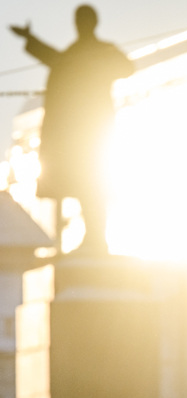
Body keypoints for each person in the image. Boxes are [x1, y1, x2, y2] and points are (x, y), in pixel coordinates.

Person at [10, 4, 134, 254]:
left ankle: (96, 239)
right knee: (84, 183)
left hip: (94, 129)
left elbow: (126, 68)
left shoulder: (100, 51)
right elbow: (54, 59)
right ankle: (92, 238)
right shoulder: (77, 52)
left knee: (93, 184)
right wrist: (30, 39)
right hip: (80, 132)